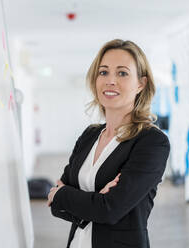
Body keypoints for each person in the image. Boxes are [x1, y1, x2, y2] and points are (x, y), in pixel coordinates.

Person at [47, 39, 170, 248]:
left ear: (141, 84)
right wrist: (93, 202)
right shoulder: (90, 135)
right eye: (103, 72)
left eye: (122, 73)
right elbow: (56, 207)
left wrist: (63, 195)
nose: (110, 80)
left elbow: (110, 209)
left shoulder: (151, 142)